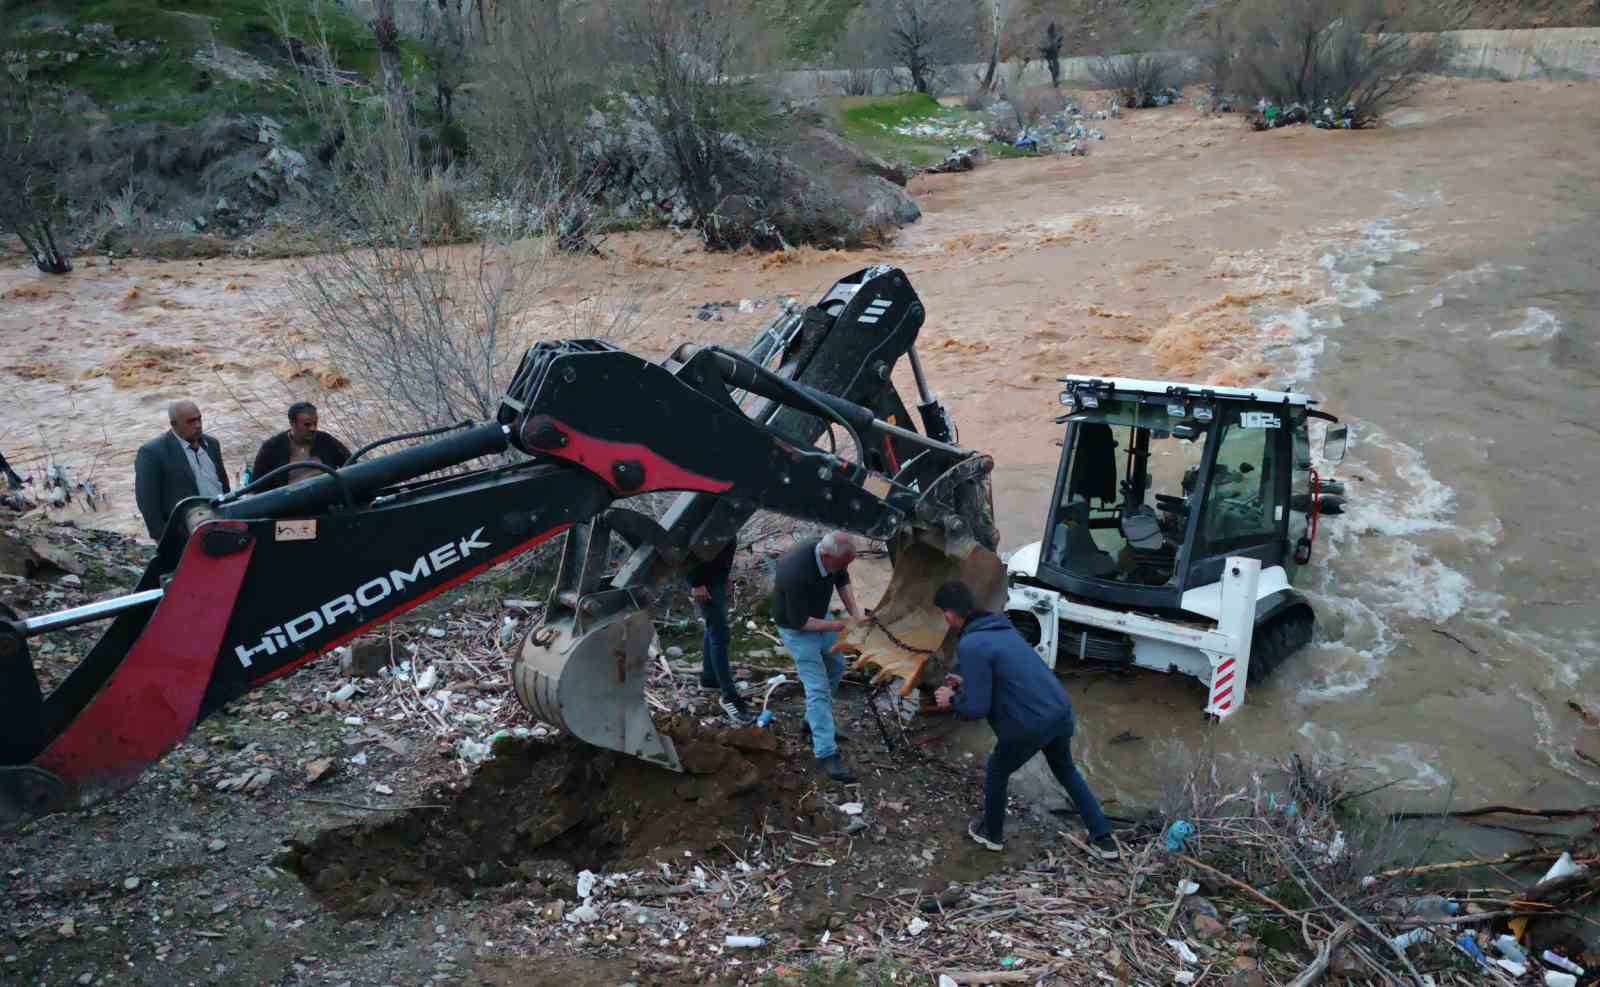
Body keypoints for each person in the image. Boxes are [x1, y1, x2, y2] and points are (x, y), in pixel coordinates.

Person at [931, 580, 1118, 859]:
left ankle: (991, 835)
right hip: (1060, 710)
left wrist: (951, 699)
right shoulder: (1002, 627)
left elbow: (977, 709)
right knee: (1066, 770)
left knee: (997, 771)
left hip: (1030, 724)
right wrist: (964, 679)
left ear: (948, 614)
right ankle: (1104, 839)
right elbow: (1003, 672)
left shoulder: (970, 643)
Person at [771, 531, 866, 782]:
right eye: (842, 563)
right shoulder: (794, 571)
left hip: (821, 618)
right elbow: (799, 622)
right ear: (826, 556)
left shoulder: (832, 555)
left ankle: (812, 721)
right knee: (817, 688)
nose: (844, 567)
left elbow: (842, 579)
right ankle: (826, 753)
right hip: (798, 628)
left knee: (835, 668)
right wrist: (838, 626)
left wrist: (855, 614)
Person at [134, 399, 229, 542]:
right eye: (190, 422)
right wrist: (162, 538)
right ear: (174, 424)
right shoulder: (153, 453)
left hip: (222, 521)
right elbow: (147, 501)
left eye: (199, 419)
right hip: (184, 533)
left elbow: (223, 483)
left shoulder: (212, 444)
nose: (197, 425)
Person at [688, 538, 753, 725]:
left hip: (715, 578)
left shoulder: (729, 513)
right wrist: (695, 582)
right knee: (720, 634)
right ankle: (729, 696)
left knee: (714, 628)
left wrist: (724, 577)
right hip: (702, 580)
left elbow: (724, 544)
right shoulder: (705, 512)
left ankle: (709, 680)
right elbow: (686, 547)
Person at [250, 402, 352, 491]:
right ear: (292, 424)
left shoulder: (325, 440)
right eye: (307, 424)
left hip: (330, 495)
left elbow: (351, 464)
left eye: (315, 424)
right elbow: (257, 486)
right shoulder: (272, 447)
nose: (313, 428)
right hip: (293, 504)